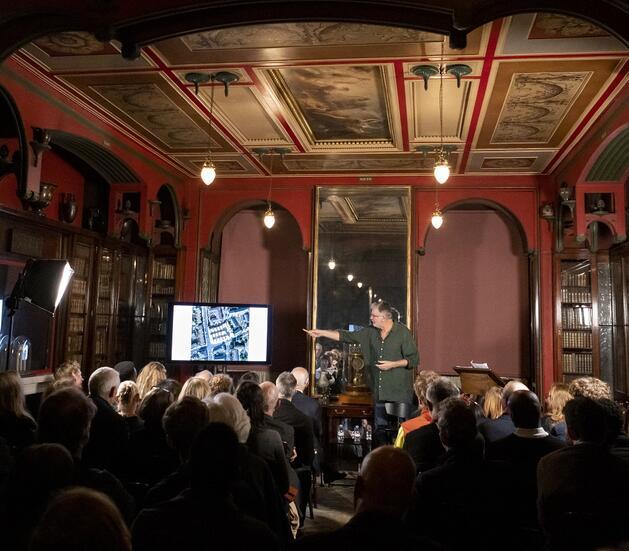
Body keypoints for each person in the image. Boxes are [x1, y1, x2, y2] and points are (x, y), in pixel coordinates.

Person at [304, 301, 419, 444]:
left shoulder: (402, 333)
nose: (371, 318)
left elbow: (414, 359)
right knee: (380, 432)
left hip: (400, 394)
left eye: (374, 315)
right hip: (380, 394)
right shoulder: (370, 332)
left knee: (403, 434)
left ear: (384, 317)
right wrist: (321, 332)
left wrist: (393, 364)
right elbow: (345, 336)